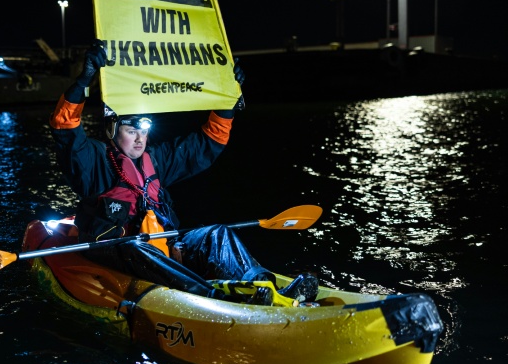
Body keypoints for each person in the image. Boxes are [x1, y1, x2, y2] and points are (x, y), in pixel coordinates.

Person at [49, 40, 318, 305]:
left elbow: (206, 144)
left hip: (159, 246)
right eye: (132, 131)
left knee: (216, 233)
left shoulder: (156, 159)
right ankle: (214, 299)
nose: (140, 139)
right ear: (112, 131)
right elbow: (64, 129)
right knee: (135, 245)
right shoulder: (94, 160)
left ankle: (264, 286)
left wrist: (228, 97)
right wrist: (83, 81)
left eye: (144, 131)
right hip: (115, 249)